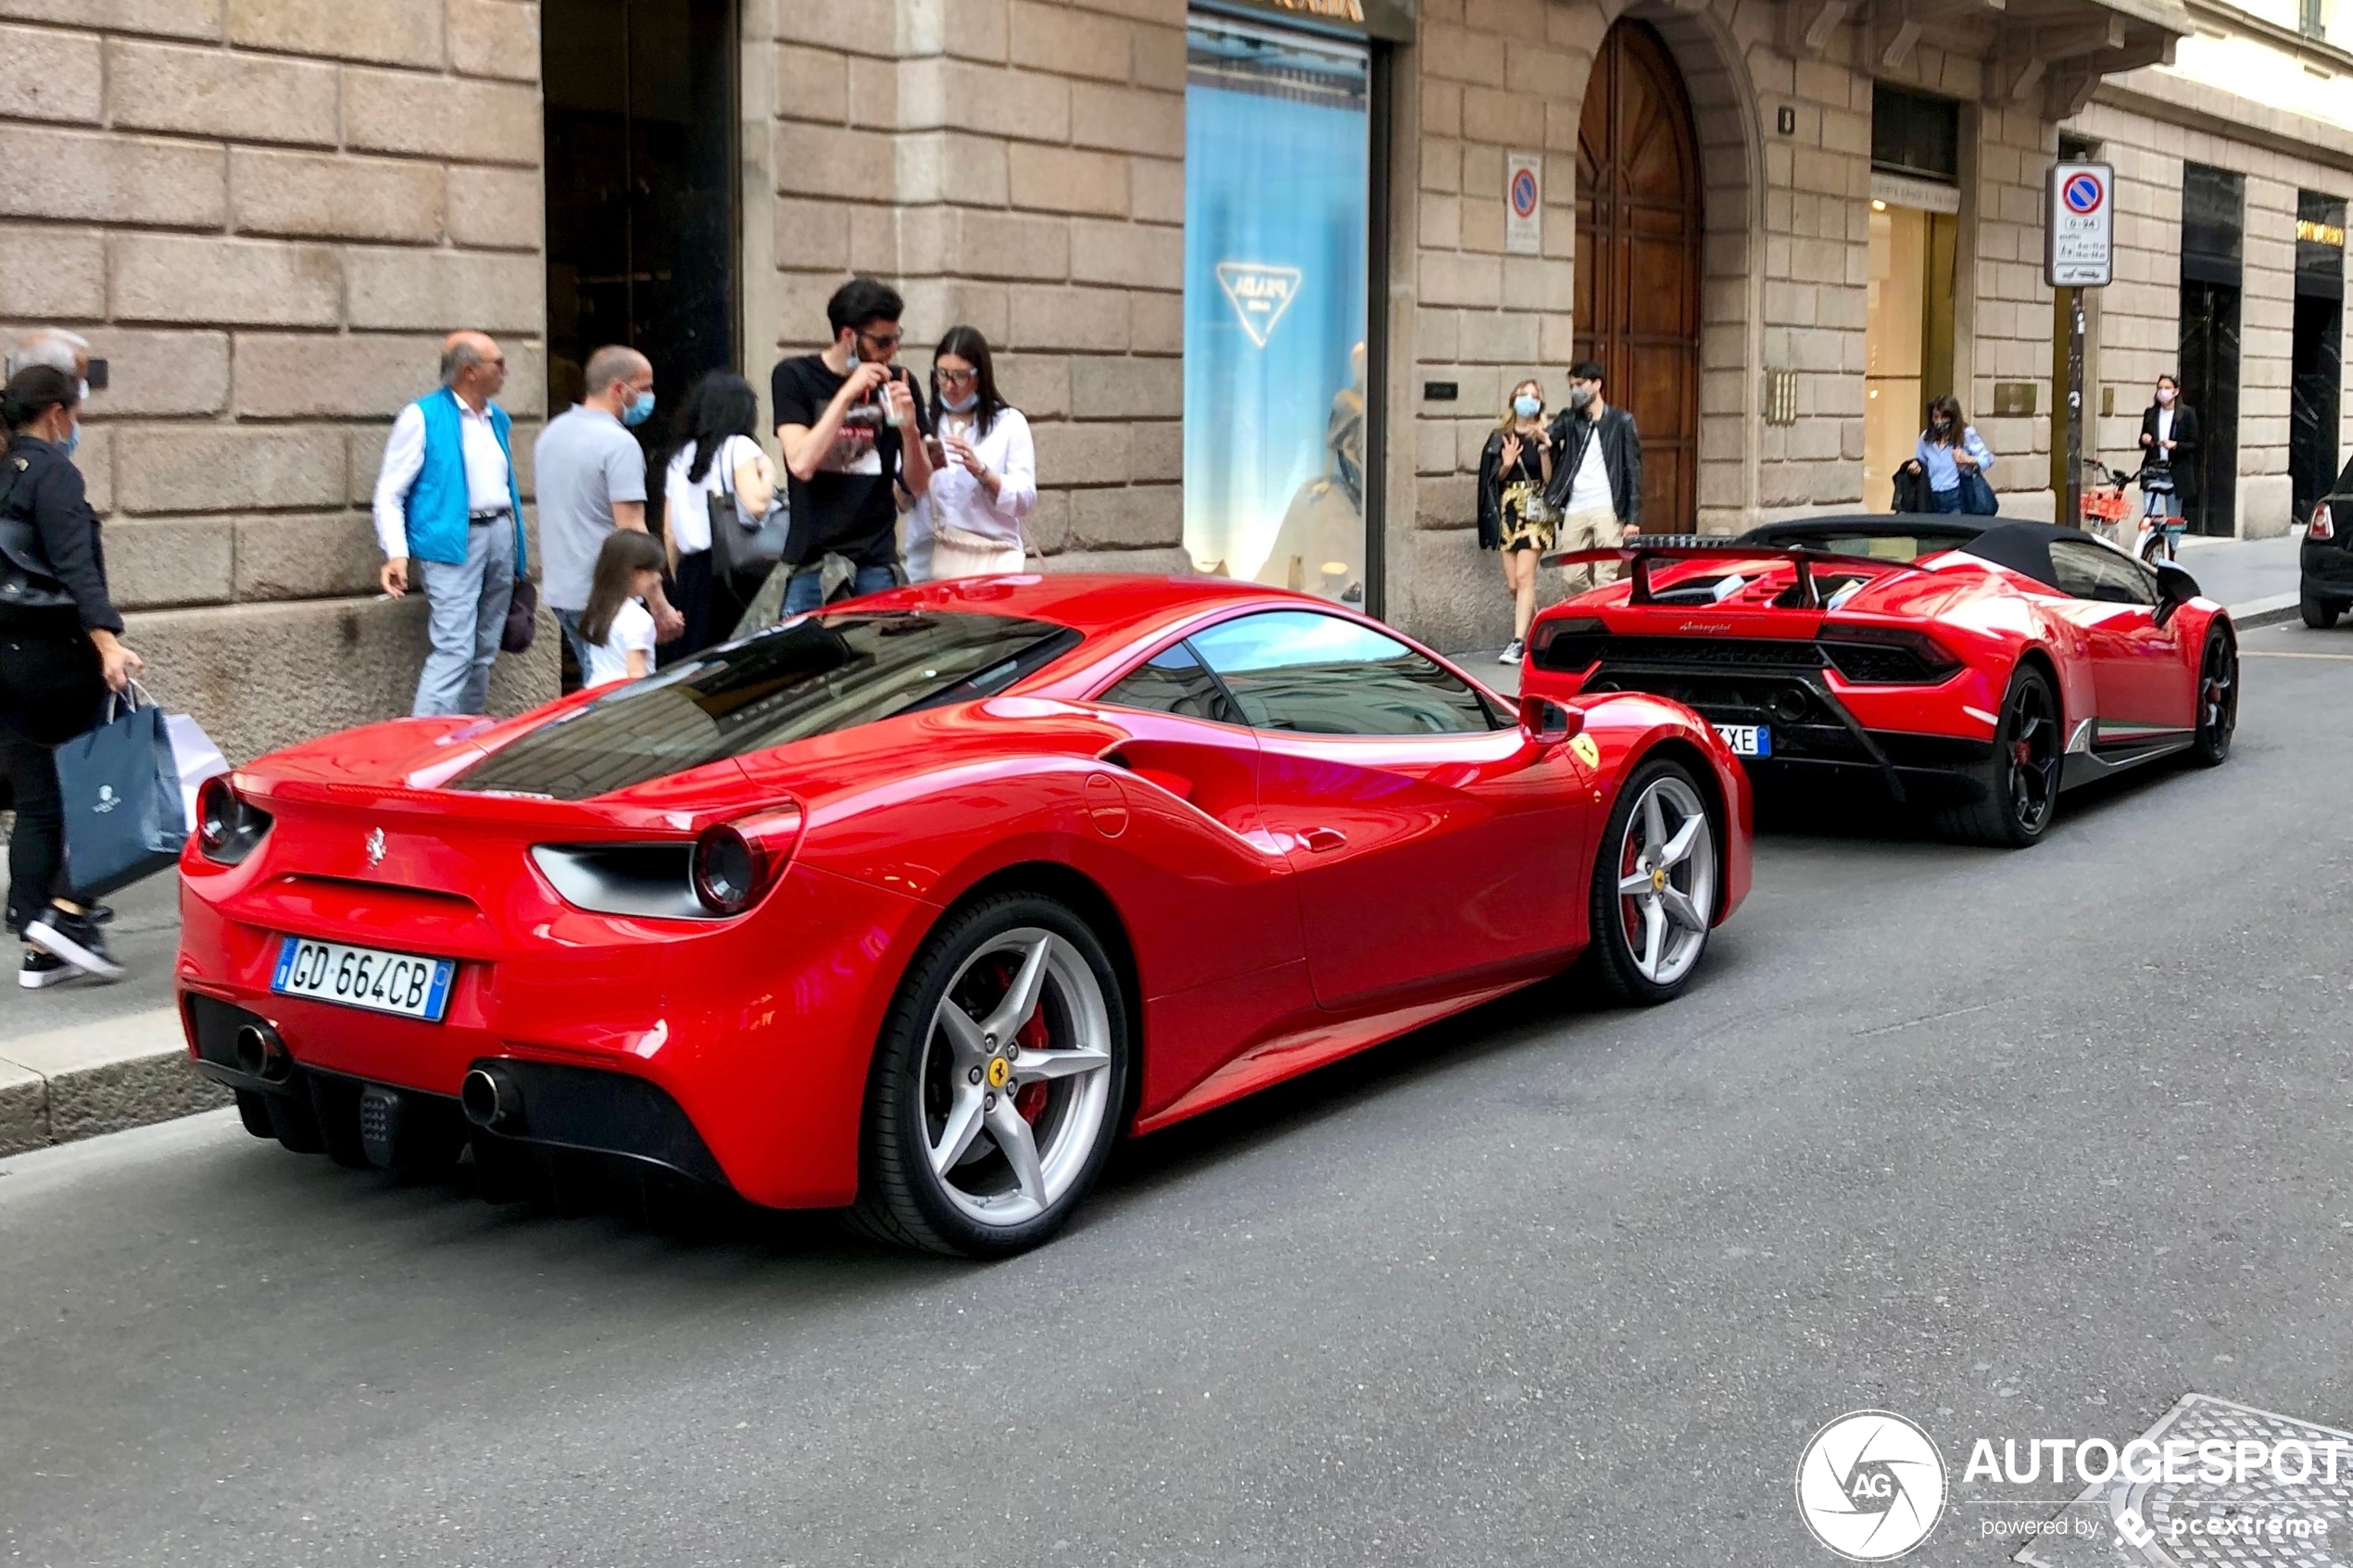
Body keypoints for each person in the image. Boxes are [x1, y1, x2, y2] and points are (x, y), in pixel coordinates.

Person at [0, 366, 141, 986]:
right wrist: (108, 644)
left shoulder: (5, 471)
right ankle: (68, 912)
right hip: (59, 660)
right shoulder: (54, 473)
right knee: (116, 790)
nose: (77, 423)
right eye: (76, 412)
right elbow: (77, 568)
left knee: (37, 803)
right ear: (57, 412)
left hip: (7, 661)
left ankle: (39, 944)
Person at [373, 332, 528, 717]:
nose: (505, 371)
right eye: (499, 363)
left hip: (499, 534)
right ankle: (423, 744)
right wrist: (396, 554)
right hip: (451, 544)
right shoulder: (422, 416)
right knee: (455, 648)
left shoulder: (497, 419)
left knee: (484, 650)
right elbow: (390, 492)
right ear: (469, 371)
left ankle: (466, 737)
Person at [773, 278, 934, 614]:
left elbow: (918, 485)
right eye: (882, 341)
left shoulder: (900, 381)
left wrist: (910, 430)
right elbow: (801, 463)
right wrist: (846, 394)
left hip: (875, 561)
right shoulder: (795, 376)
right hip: (811, 563)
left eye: (896, 339)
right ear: (849, 336)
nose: (891, 351)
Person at [536, 344, 683, 686]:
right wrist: (658, 604)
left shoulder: (552, 433)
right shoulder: (619, 445)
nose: (649, 397)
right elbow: (631, 530)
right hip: (605, 595)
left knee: (595, 682)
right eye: (644, 388)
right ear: (620, 389)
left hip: (562, 589)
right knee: (612, 696)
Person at [661, 372, 777, 653]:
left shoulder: (680, 456)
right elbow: (756, 506)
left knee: (695, 660)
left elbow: (669, 532)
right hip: (733, 570)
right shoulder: (740, 447)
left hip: (692, 572)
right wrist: (768, 473)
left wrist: (682, 581)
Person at [912, 326, 1035, 581]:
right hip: (931, 564)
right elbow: (903, 495)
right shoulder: (922, 422)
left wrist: (983, 473)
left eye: (960, 376)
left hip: (992, 562)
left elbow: (1025, 500)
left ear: (980, 376)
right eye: (942, 374)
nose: (949, 385)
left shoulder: (1009, 423)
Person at [1543, 359, 1642, 595]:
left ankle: (1600, 623)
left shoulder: (1621, 421)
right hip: (1576, 506)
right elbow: (1548, 437)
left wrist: (1632, 518)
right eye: (1572, 385)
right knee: (1571, 575)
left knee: (1605, 575)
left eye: (1580, 384)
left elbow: (1633, 469)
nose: (1575, 390)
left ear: (1597, 384)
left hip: (1607, 506)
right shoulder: (1570, 418)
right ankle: (1595, 607)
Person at [1478, 378, 1554, 663]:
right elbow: (1490, 479)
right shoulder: (1500, 436)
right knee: (1514, 584)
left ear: (1540, 404)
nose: (1528, 400)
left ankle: (1518, 642)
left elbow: (1550, 480)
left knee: (1525, 576)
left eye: (1534, 396)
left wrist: (1546, 448)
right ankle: (1541, 633)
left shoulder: (1544, 434)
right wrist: (1507, 464)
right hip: (1508, 510)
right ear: (1513, 400)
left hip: (1535, 510)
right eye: (1523, 395)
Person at [576, 530, 666, 690]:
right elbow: (636, 675)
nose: (658, 577)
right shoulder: (639, 620)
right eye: (653, 571)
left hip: (596, 694)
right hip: (624, 704)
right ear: (635, 573)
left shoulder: (600, 608)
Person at [2137, 373, 2197, 560]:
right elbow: (2143, 439)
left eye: (2166, 388)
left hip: (2175, 471)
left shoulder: (2186, 414)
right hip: (2154, 469)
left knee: (2173, 517)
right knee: (2151, 513)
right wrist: (2145, 439)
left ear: (2176, 391)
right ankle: (2152, 551)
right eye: (2160, 388)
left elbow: (2194, 443)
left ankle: (2170, 554)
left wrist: (2175, 445)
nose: (2162, 392)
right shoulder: (2151, 413)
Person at [1903, 395, 1994, 515]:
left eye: (1944, 417)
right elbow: (1921, 461)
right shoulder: (1926, 438)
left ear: (1952, 417)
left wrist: (1967, 459)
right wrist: (1915, 466)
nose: (1939, 421)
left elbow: (1988, 458)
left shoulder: (1965, 434)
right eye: (1936, 417)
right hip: (1932, 497)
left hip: (1956, 497)